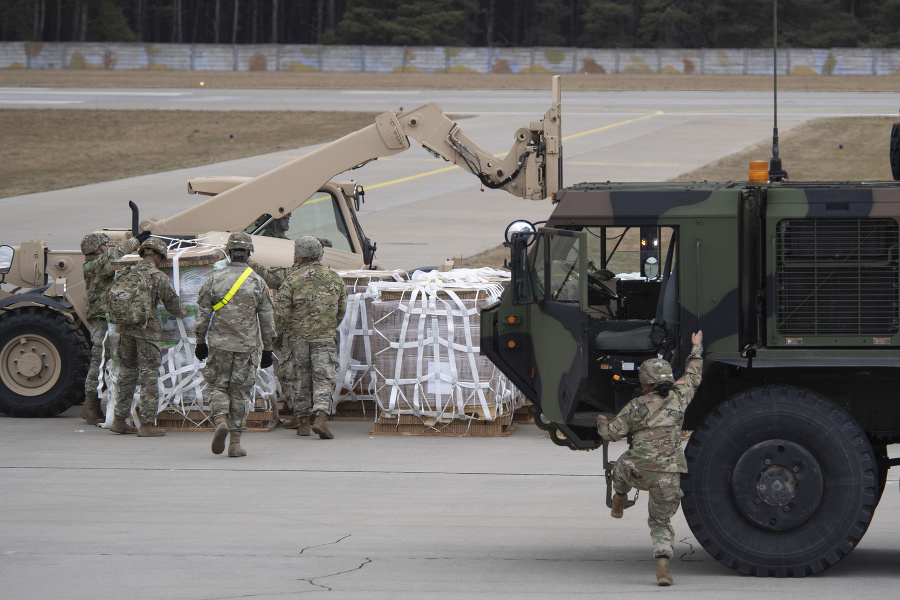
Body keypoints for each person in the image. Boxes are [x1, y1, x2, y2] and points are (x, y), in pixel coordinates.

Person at [595, 331, 703, 587]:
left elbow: (611, 433)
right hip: (668, 475)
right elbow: (693, 376)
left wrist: (600, 420)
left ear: (645, 382)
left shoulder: (636, 405)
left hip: (638, 469)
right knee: (660, 521)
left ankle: (619, 498)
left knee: (620, 467)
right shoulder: (679, 398)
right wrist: (696, 347)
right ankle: (663, 567)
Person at [194, 232, 275, 457]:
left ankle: (220, 419)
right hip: (246, 348)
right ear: (249, 253)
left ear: (228, 253)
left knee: (218, 386)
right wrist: (268, 348)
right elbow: (267, 320)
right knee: (240, 392)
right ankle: (235, 443)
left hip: (219, 345)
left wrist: (200, 341)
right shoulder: (258, 282)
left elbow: (202, 315)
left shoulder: (214, 279)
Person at [110, 237, 186, 437]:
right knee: (149, 376)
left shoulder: (126, 272)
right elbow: (173, 305)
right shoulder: (157, 276)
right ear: (159, 256)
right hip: (147, 332)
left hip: (125, 330)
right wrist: (187, 313)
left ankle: (119, 420)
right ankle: (147, 424)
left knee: (126, 373)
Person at [273, 236, 347, 439]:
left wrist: (276, 338)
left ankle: (303, 422)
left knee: (300, 378)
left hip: (297, 339)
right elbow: (341, 310)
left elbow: (280, 313)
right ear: (320, 254)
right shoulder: (334, 278)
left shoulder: (292, 279)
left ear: (298, 256)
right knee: (324, 378)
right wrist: (329, 326)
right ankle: (321, 418)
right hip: (324, 337)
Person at [79, 230, 148, 425]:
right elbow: (112, 257)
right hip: (101, 319)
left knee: (108, 358)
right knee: (99, 359)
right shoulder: (92, 266)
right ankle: (90, 404)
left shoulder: (99, 265)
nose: (107, 247)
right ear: (95, 248)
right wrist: (137, 241)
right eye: (104, 244)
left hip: (108, 317)